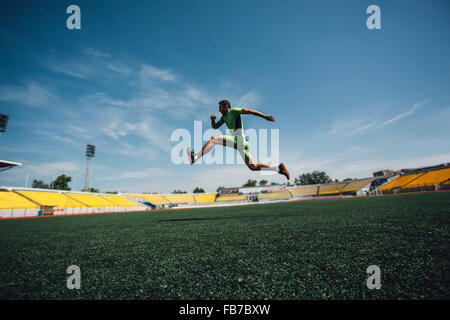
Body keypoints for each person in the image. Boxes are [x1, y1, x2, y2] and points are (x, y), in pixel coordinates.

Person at [186, 99, 290, 179]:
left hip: (239, 140)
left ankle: (195, 157)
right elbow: (215, 127)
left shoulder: (234, 111)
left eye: (221, 108)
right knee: (253, 167)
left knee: (214, 139)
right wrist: (213, 120)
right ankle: (278, 169)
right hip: (241, 143)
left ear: (226, 106)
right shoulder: (224, 117)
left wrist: (265, 116)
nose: (219, 110)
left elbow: (249, 111)